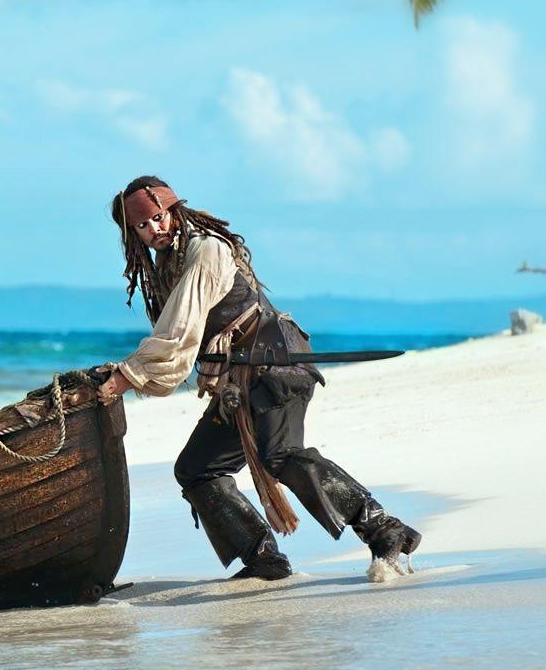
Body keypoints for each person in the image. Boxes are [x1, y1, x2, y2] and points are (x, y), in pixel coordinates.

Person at [94, 176, 421, 582]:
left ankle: (386, 530)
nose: (153, 230)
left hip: (275, 366)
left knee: (279, 454)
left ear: (172, 211)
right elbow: (182, 336)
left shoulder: (206, 250)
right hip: (238, 383)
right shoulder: (165, 268)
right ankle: (263, 559)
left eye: (158, 218)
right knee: (197, 469)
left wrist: (126, 377)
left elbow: (177, 335)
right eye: (142, 226)